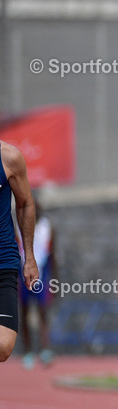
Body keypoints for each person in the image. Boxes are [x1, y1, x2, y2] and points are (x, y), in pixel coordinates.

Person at [0, 141, 39, 363]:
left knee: (4, 346)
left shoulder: (9, 158)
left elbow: (25, 203)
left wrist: (29, 257)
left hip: (3, 260)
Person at [19, 203, 56, 368]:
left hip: (43, 272)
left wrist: (55, 279)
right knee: (25, 311)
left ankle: (45, 349)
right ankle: (28, 352)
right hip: (23, 273)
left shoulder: (48, 228)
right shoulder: (19, 225)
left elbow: (53, 254)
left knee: (43, 311)